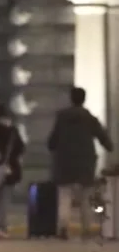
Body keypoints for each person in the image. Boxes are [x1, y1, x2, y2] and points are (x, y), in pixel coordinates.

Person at [48, 86, 113, 239]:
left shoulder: (61, 117)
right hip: (86, 162)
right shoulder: (90, 118)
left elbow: (52, 141)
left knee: (65, 196)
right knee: (86, 196)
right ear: (84, 99)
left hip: (65, 162)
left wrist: (53, 147)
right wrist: (109, 147)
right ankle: (86, 229)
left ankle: (63, 227)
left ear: (71, 98)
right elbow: (104, 139)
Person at [0, 103, 25, 239]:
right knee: (4, 199)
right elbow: (20, 148)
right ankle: (1, 226)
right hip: (8, 169)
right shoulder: (12, 130)